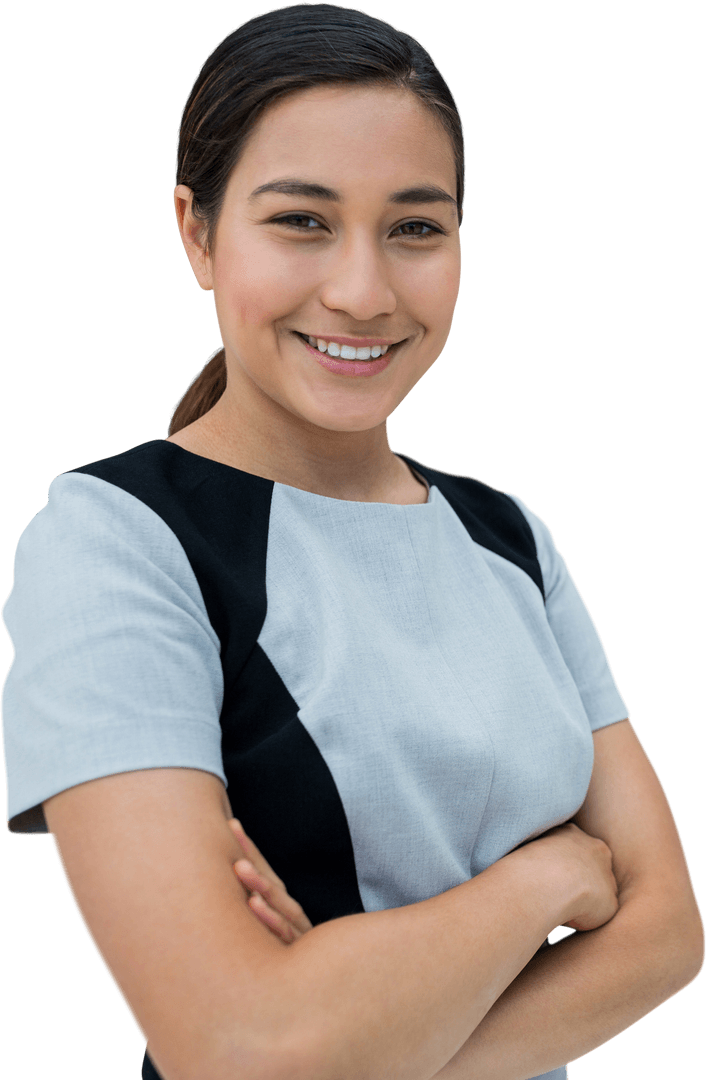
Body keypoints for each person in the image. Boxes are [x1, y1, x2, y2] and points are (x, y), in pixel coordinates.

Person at [1, 5, 703, 1080]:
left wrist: (354, 1042)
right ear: (197, 232)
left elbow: (668, 935)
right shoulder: (114, 540)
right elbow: (236, 1048)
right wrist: (546, 880)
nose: (362, 293)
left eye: (415, 228)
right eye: (301, 220)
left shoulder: (509, 536)